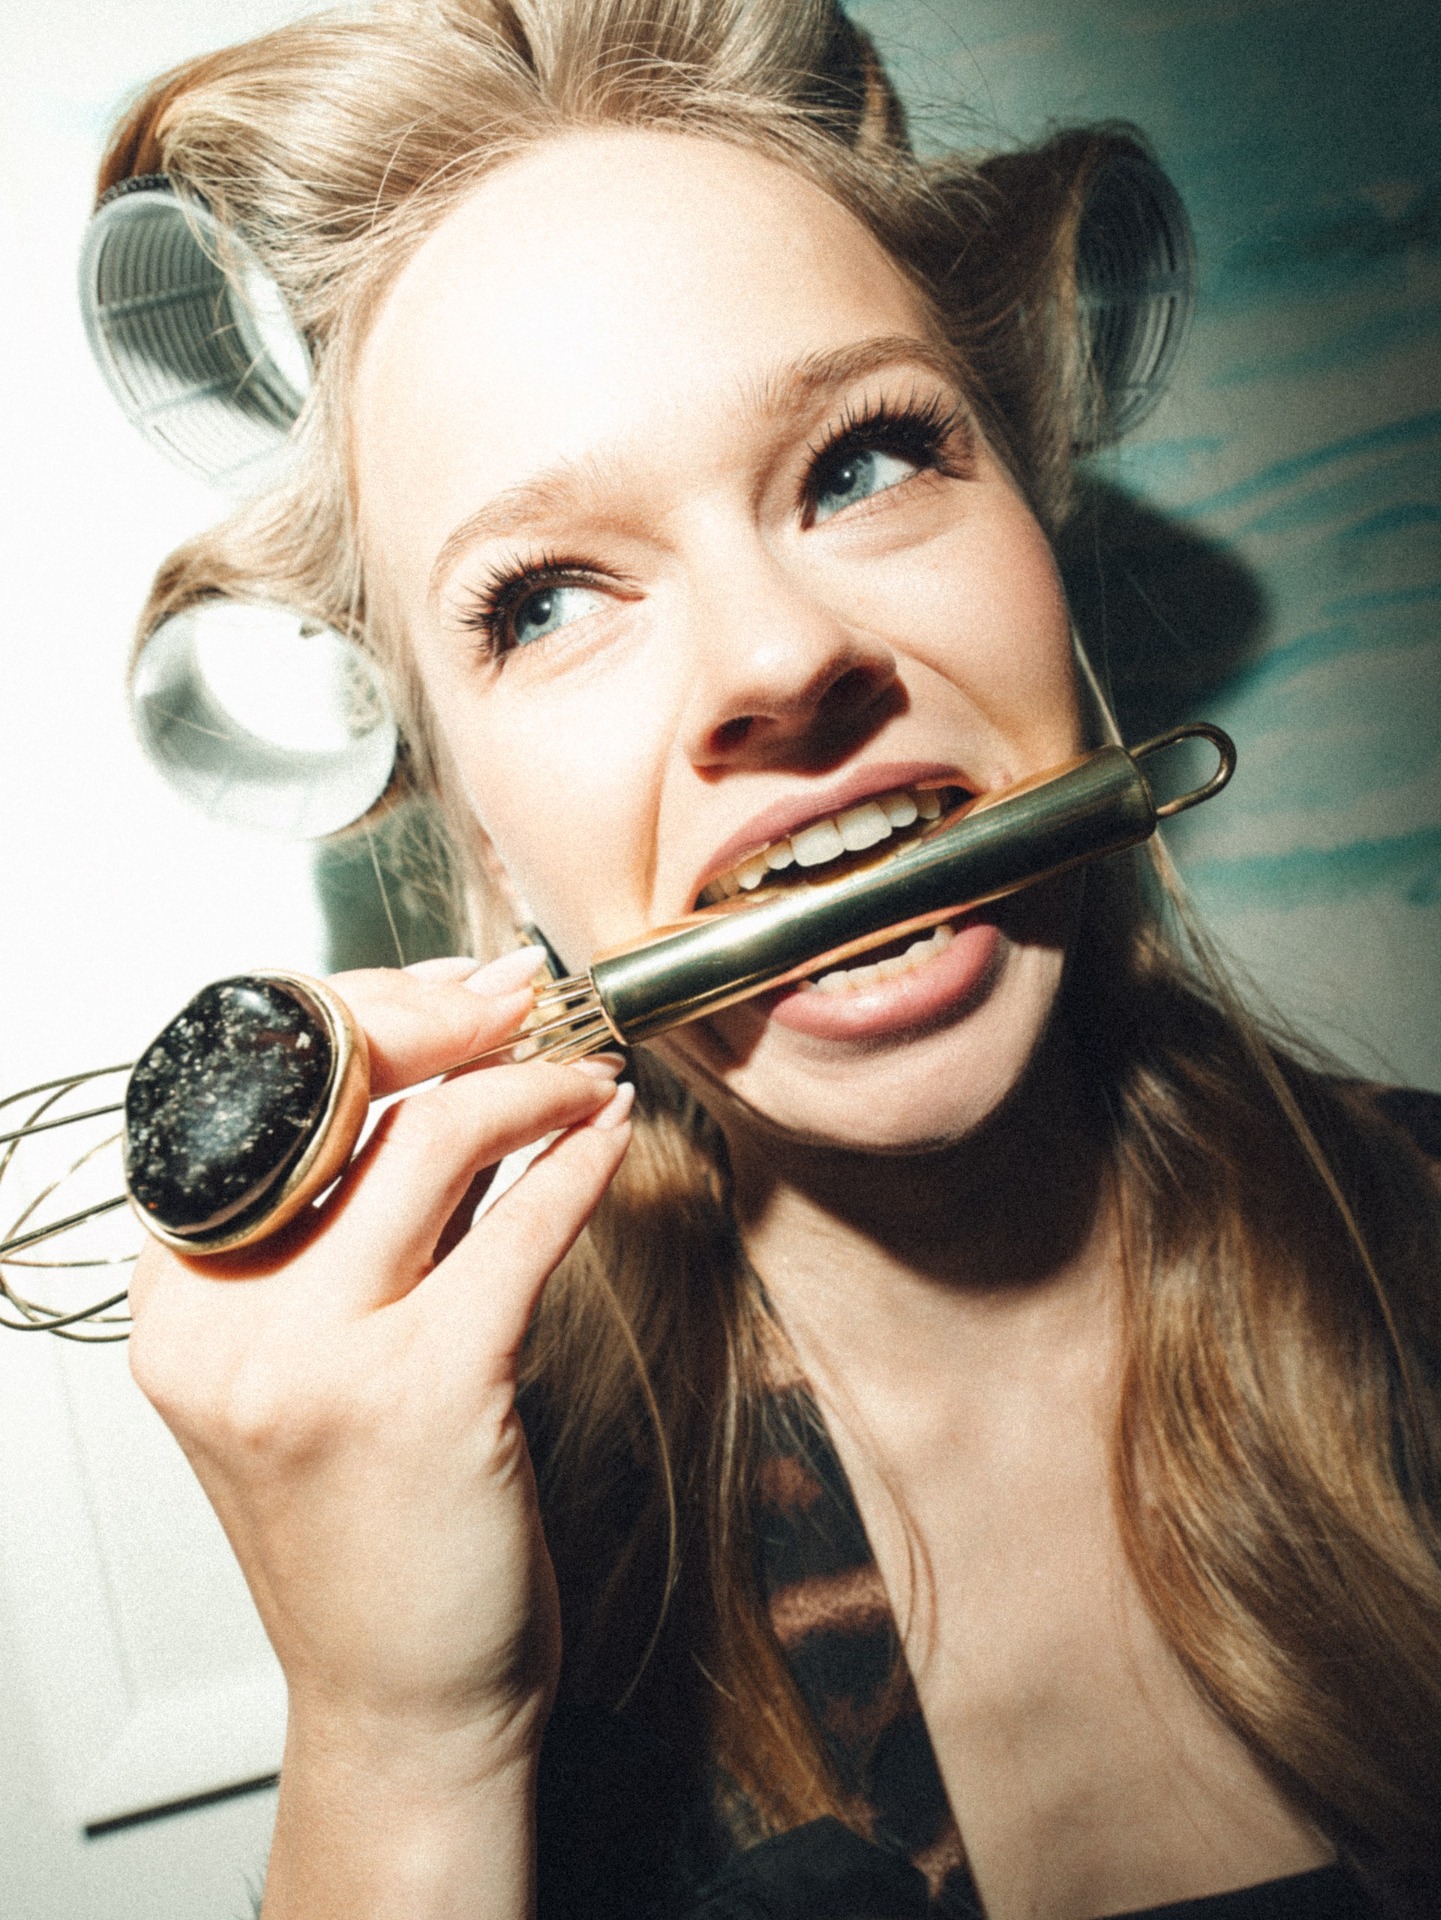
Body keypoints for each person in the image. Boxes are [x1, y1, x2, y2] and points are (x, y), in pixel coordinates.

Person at [111, 3, 1441, 1915]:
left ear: (1034, 531)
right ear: (477, 824)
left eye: (864, 461)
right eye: (543, 599)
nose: (777, 658)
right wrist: (400, 1739)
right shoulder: (513, 1557)